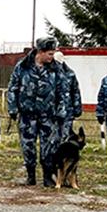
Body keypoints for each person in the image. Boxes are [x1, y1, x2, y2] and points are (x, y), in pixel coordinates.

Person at [7, 37, 68, 187]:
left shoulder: (56, 69)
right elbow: (13, 88)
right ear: (40, 52)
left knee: (49, 147)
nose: (52, 57)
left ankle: (48, 176)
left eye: (53, 53)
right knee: (28, 146)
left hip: (48, 115)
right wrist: (13, 108)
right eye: (49, 53)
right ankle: (31, 175)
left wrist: (61, 111)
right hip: (27, 115)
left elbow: (62, 91)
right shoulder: (22, 66)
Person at [53, 51, 82, 142]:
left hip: (67, 111)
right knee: (52, 137)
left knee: (65, 136)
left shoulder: (70, 74)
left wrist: (77, 109)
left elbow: (75, 92)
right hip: (51, 112)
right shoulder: (48, 73)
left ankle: (63, 154)